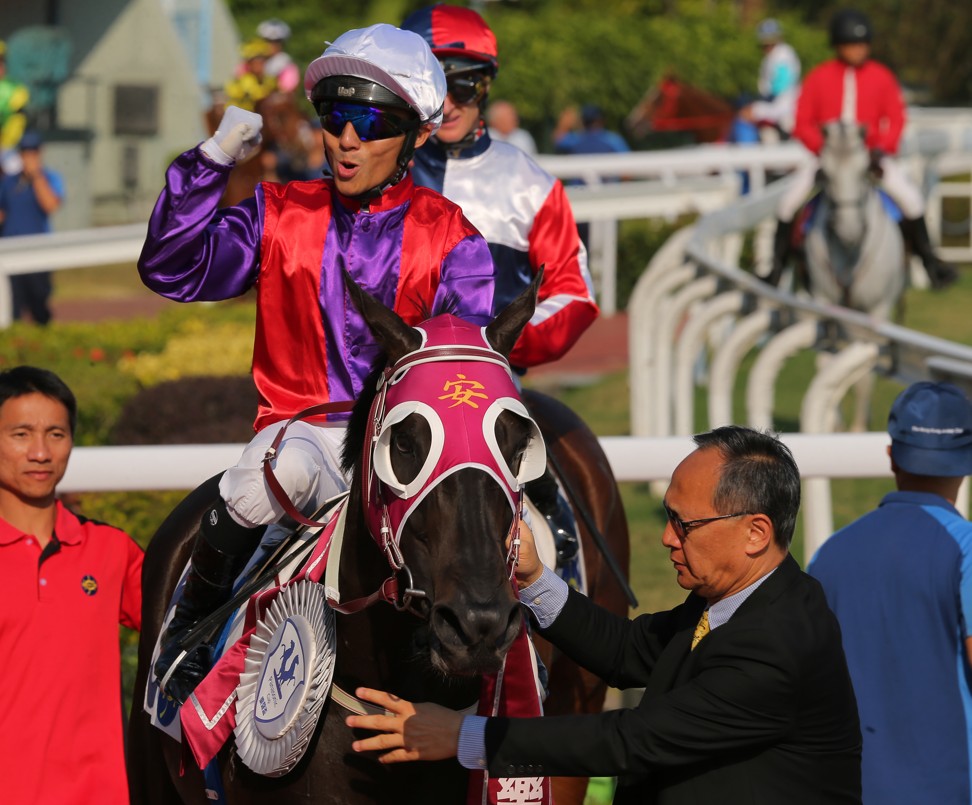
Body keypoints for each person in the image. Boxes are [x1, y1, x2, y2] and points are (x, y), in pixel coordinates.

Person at [137, 23, 496, 706]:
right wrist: (210, 163)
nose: (347, 138)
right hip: (299, 426)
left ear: (419, 135)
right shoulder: (278, 213)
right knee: (273, 475)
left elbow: (464, 369)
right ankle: (187, 630)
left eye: (371, 120)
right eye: (335, 116)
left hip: (408, 443)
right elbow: (169, 266)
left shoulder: (454, 239)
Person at [344, 425, 863, 804]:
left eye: (684, 524)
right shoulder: (732, 598)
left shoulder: (778, 642)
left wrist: (464, 737)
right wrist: (534, 580)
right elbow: (630, 651)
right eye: (667, 517)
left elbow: (632, 740)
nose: (666, 538)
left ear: (756, 533)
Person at [401, 3, 599, 572]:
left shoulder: (530, 184)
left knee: (549, 526)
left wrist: (504, 342)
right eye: (438, 88)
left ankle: (564, 596)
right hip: (385, 377)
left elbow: (574, 291)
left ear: (487, 87)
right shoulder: (375, 170)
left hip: (487, 381)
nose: (453, 103)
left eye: (469, 85)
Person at [808, 381, 972, 804]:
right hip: (949, 787)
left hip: (845, 786)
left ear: (891, 456)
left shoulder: (829, 554)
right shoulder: (966, 549)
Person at [0, 365, 144, 803]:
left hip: (100, 793)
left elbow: (192, 626)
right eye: (21, 434)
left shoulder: (111, 550)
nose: (40, 452)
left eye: (56, 434)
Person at [770, 8, 956, 290]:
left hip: (870, 158)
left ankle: (930, 264)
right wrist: (823, 149)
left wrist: (881, 147)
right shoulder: (819, 77)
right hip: (828, 159)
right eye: (851, 44)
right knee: (787, 203)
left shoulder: (881, 77)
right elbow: (802, 121)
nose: (858, 49)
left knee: (912, 200)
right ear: (838, 45)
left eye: (862, 44)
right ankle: (775, 269)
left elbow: (895, 118)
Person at [0, 131, 64, 326]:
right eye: (25, 152)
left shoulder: (50, 177)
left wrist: (36, 176)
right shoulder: (8, 182)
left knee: (39, 306)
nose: (29, 156)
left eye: (33, 152)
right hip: (10, 254)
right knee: (12, 308)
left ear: (40, 153)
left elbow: (51, 205)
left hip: (39, 253)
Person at [739, 18, 801, 141]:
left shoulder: (784, 56)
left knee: (771, 133)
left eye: (770, 43)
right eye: (764, 43)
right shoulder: (770, 58)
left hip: (787, 109)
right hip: (776, 105)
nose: (766, 47)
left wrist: (756, 109)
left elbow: (779, 96)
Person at [225, 38, 278, 113]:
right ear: (249, 64)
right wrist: (269, 90)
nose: (260, 65)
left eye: (263, 62)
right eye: (256, 63)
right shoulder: (246, 79)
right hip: (242, 115)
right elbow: (257, 94)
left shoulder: (268, 79)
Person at [0, 40, 29, 156]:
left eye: (2, 60)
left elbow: (16, 121)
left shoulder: (16, 88)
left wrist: (4, 146)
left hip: (7, 149)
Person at [256, 18, 300, 94]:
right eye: (268, 41)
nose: (271, 45)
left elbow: (287, 90)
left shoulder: (286, 64)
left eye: (276, 41)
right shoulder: (252, 60)